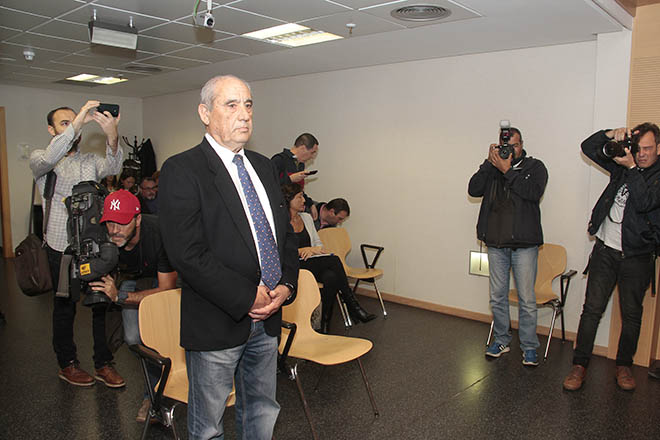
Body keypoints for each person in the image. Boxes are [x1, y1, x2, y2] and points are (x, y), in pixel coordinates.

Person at [158, 75, 299, 439]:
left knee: (263, 410)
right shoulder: (182, 169)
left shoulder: (263, 166)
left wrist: (286, 285)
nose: (244, 114)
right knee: (208, 426)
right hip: (217, 319)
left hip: (269, 316)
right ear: (205, 113)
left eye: (248, 105)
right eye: (231, 105)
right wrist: (247, 296)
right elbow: (187, 253)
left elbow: (284, 235)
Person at [29, 101, 124, 387]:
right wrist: (79, 121)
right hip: (61, 248)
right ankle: (67, 363)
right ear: (51, 130)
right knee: (64, 308)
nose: (74, 127)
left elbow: (114, 165)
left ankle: (103, 363)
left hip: (93, 247)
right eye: (65, 123)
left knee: (100, 304)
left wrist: (112, 135)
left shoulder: (90, 161)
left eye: (75, 122)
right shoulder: (42, 160)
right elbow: (52, 155)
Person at [563, 123, 660, 392]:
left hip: (637, 256)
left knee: (631, 315)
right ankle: (579, 365)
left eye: (648, 149)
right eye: (638, 148)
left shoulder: (652, 174)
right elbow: (588, 147)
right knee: (592, 310)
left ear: (658, 148)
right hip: (605, 250)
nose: (641, 154)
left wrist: (632, 168)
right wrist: (610, 134)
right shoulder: (622, 165)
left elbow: (645, 202)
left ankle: (624, 366)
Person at [88, 189, 177, 421]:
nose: (114, 230)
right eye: (110, 223)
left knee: (159, 336)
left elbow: (166, 289)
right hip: (129, 280)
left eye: (122, 223)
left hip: (161, 279)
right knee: (133, 338)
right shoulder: (102, 237)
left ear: (137, 220)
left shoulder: (160, 233)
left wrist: (119, 297)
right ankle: (153, 392)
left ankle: (153, 396)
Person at [468, 126, 548, 366]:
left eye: (514, 145)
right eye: (505, 146)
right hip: (496, 243)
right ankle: (502, 339)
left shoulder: (535, 167)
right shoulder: (492, 168)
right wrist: (488, 163)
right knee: (497, 297)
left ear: (522, 145)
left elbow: (533, 193)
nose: (510, 150)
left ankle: (529, 346)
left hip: (524, 245)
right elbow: (473, 189)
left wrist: (508, 170)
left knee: (526, 299)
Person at [283, 183, 375, 333]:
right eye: (299, 197)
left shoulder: (306, 218)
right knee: (334, 260)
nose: (304, 200)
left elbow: (318, 245)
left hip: (310, 262)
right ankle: (352, 305)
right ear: (289, 199)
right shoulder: (280, 221)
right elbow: (279, 251)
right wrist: (302, 250)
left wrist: (313, 250)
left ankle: (324, 324)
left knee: (331, 276)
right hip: (292, 265)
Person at [271, 133, 319, 216]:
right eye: (312, 153)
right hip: (279, 209)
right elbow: (270, 185)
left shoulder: (301, 165)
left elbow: (298, 190)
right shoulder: (279, 160)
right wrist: (290, 179)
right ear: (303, 148)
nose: (312, 157)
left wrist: (310, 204)